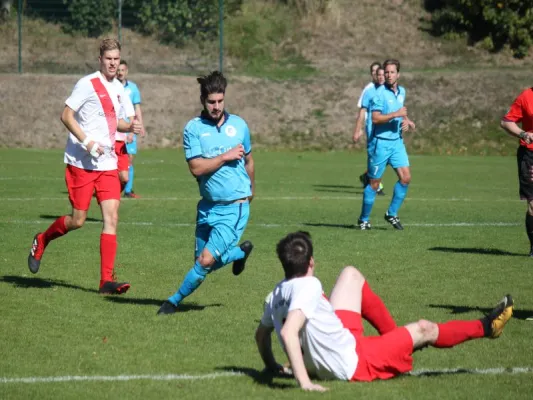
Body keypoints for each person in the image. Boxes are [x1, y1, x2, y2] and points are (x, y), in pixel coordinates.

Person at [256, 231, 513, 392]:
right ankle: (487, 327)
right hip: (355, 362)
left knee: (350, 274)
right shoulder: (310, 285)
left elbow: (261, 336)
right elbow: (290, 331)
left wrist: (272, 366)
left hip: (343, 339)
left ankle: (394, 338)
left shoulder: (274, 295)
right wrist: (305, 384)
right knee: (424, 328)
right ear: (311, 262)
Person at [27, 38, 144, 295]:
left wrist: (131, 126)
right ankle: (42, 239)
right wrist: (88, 142)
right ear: (100, 59)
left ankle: (105, 282)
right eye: (108, 59)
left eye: (116, 59)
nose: (113, 63)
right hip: (81, 163)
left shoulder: (120, 90)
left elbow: (117, 124)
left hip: (107, 164)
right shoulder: (87, 84)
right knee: (78, 220)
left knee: (111, 217)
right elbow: (66, 115)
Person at [158, 71, 255, 315]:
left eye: (220, 101)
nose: (217, 106)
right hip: (208, 207)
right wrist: (225, 156)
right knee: (201, 263)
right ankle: (239, 253)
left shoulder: (240, 125)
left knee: (205, 261)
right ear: (203, 100)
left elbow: (249, 161)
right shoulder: (193, 129)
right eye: (212, 102)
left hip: (234, 207)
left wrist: (250, 190)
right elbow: (196, 168)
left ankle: (173, 301)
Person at [357, 59, 416, 230]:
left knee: (406, 179)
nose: (389, 75)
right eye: (386, 72)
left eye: (392, 72)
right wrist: (395, 114)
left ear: (398, 74)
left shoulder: (402, 91)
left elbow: (400, 110)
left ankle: (391, 213)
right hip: (381, 144)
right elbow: (375, 118)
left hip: (397, 143)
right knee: (374, 184)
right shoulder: (379, 94)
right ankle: (364, 219)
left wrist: (406, 120)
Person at [354, 62, 385, 196]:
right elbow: (362, 109)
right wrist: (359, 129)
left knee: (382, 157)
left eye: (377, 71)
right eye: (373, 71)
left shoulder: (387, 88)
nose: (375, 74)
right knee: (377, 156)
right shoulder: (369, 89)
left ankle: (368, 177)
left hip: (385, 129)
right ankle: (375, 184)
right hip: (371, 128)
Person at [117, 59, 145, 198]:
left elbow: (137, 108)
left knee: (129, 160)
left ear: (126, 71)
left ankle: (127, 190)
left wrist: (140, 125)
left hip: (130, 128)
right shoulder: (112, 87)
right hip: (116, 129)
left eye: (123, 70)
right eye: (118, 70)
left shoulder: (132, 88)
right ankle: (110, 187)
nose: (120, 72)